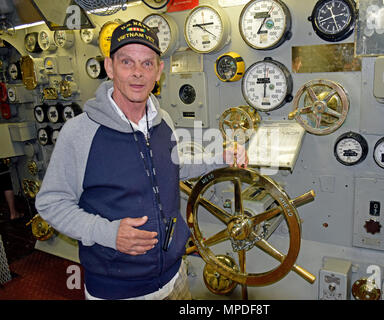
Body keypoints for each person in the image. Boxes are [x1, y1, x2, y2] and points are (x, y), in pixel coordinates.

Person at [35, 19, 247, 300]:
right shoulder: (80, 132)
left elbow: (172, 167)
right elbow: (51, 203)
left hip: (174, 278)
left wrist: (220, 158)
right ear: (109, 67)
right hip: (118, 290)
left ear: (159, 71)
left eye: (147, 64)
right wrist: (108, 233)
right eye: (127, 62)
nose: (138, 73)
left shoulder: (163, 121)